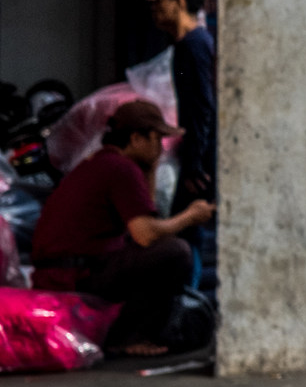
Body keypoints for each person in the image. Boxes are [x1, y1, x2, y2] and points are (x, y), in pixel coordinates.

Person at [29, 101, 213, 357]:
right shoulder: (120, 169)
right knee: (175, 253)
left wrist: (151, 167)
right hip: (73, 275)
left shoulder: (104, 163)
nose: (160, 149)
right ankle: (128, 337)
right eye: (156, 140)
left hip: (64, 272)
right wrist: (190, 216)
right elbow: (146, 234)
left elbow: (143, 218)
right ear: (137, 138)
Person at [150, 0, 217, 292]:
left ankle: (184, 302)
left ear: (178, 3)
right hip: (195, 150)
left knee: (188, 229)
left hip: (199, 155)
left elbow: (201, 106)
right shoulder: (186, 45)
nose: (155, 8)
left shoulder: (194, 45)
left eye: (160, 1)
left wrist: (194, 164)